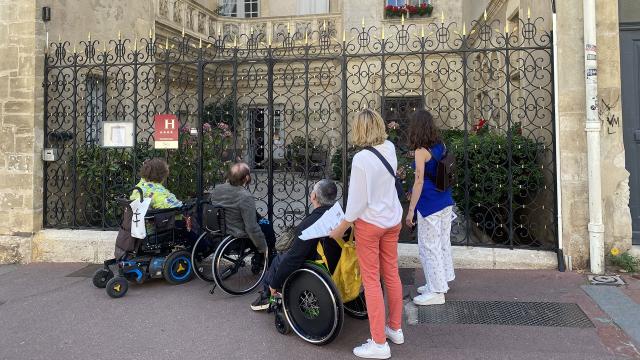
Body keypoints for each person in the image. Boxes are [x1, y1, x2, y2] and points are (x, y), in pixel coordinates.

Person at [329, 109, 404, 360]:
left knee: (371, 281)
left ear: (360, 129)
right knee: (391, 274)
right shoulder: (390, 148)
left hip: (370, 225)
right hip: (392, 220)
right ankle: (395, 328)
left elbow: (357, 202)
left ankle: (379, 344)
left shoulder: (362, 158)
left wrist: (340, 227)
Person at [250, 179, 341, 311]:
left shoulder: (310, 223)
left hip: (319, 264)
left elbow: (294, 258)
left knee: (279, 259)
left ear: (313, 196)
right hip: (337, 261)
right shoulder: (340, 215)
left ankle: (267, 294)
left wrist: (274, 283)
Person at [405, 109, 455, 306]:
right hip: (445, 200)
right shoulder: (439, 145)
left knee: (428, 246)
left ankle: (437, 291)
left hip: (429, 204)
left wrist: (410, 211)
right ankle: (439, 281)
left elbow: (418, 182)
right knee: (442, 243)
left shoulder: (420, 151)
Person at [209, 162, 274, 261]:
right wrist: (263, 247)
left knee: (260, 221)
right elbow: (251, 227)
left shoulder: (217, 189)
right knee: (267, 225)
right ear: (246, 178)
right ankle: (264, 258)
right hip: (238, 232)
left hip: (221, 229)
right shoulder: (245, 196)